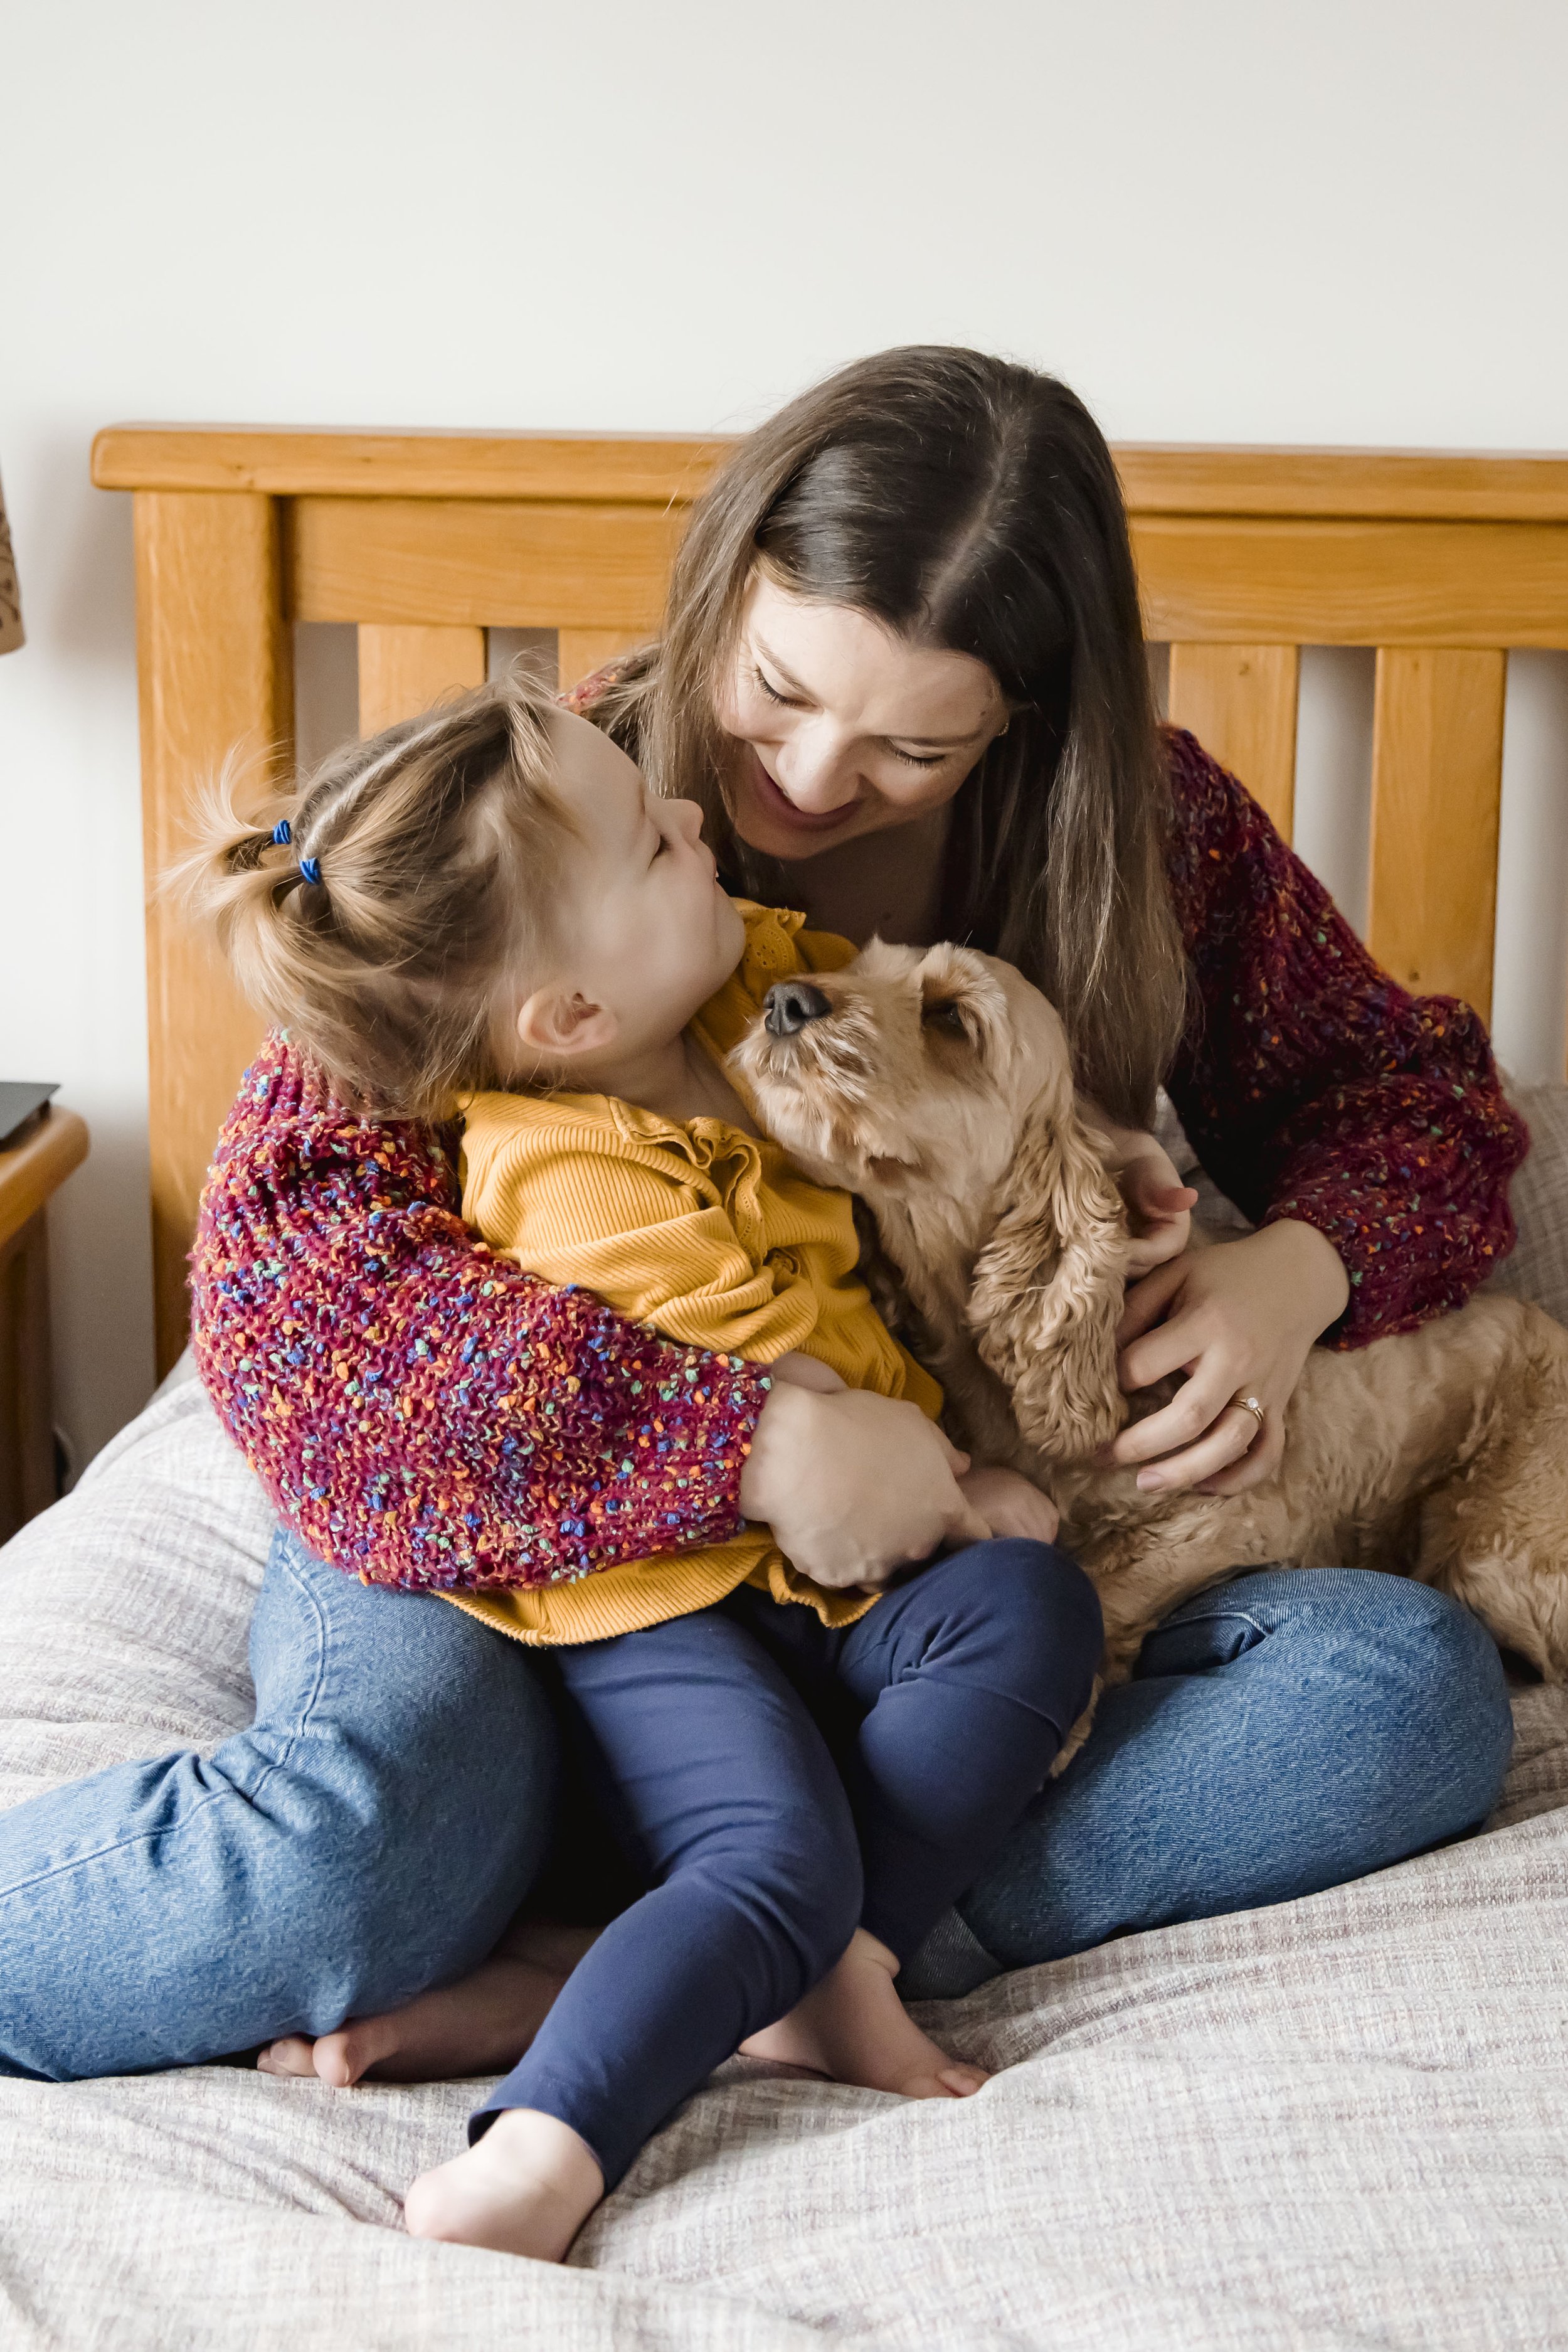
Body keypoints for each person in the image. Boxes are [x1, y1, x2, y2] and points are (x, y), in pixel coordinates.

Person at [0, 347, 1519, 2091]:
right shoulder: (538, 810)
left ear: (1023, 720)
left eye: (912, 743)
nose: (801, 777)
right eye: (777, 688)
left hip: (916, 1598)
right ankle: (760, 1918)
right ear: (724, 583)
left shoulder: (1148, 839)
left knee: (1402, 1692)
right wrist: (746, 1442)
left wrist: (1289, 1270)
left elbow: (1411, 1100)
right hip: (531, 1523)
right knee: (361, 1836)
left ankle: (669, 1946)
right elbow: (295, 1285)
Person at [182, 676, 1106, 2258]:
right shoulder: (563, 1166)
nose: (703, 817)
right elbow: (760, 1382)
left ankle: (829, 1963)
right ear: (567, 1020)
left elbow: (861, 1008)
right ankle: (545, 2149)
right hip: (653, 1593)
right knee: (771, 1856)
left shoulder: (723, 1010)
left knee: (1034, 1614)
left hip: (816, 1585)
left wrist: (1080, 1152)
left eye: (919, 738)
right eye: (655, 843)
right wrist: (945, 1476)